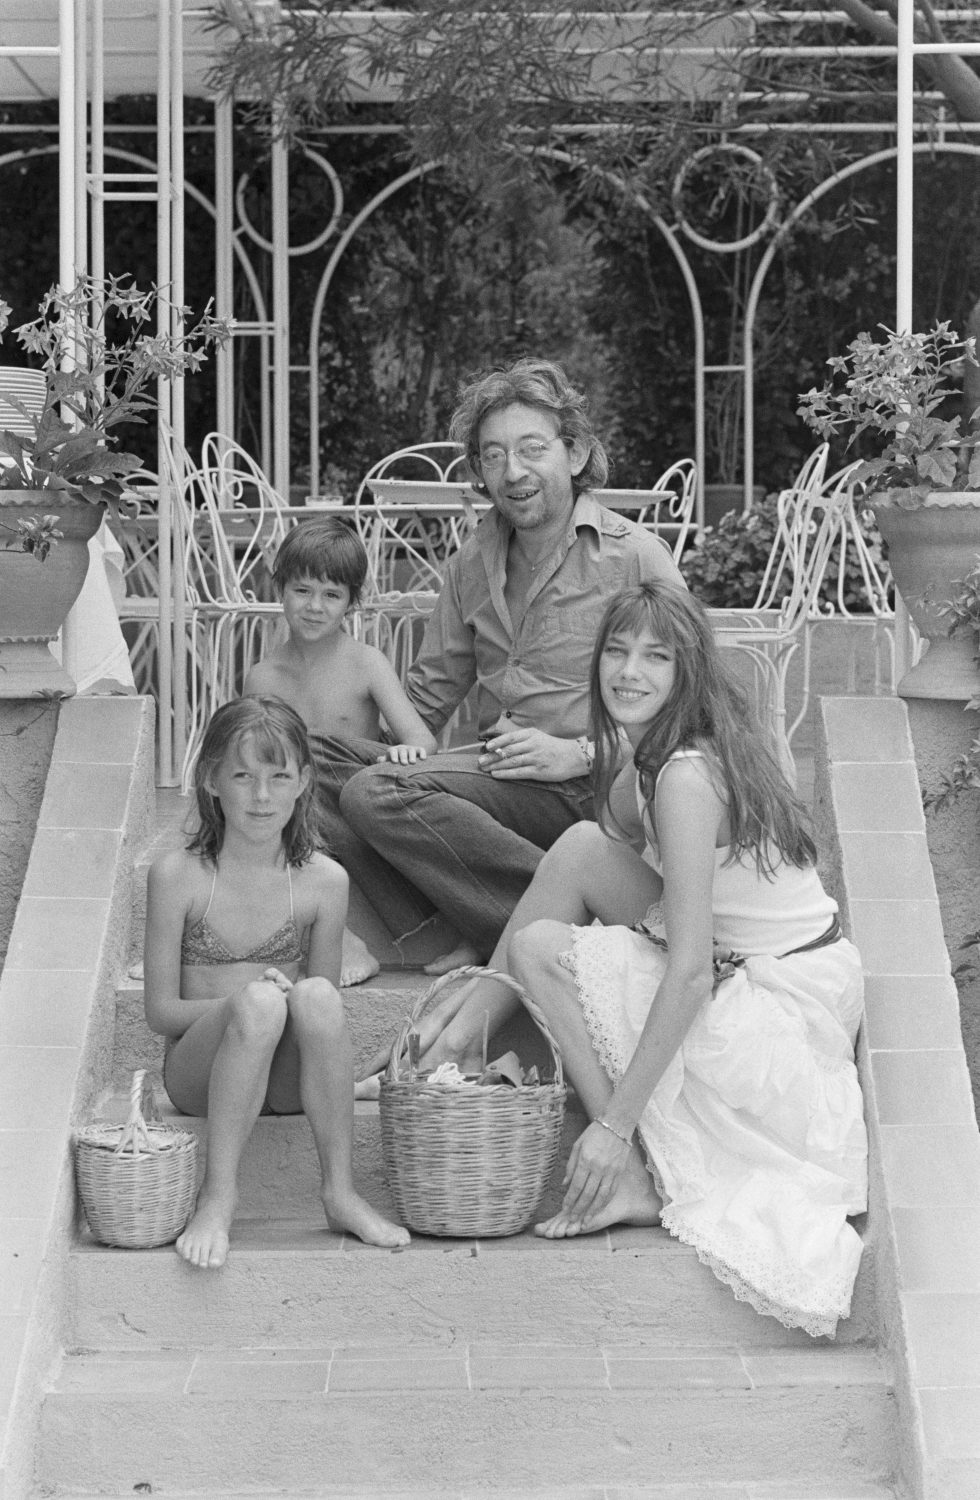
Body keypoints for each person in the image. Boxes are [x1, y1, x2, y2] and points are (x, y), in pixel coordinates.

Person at [413, 582, 868, 1338]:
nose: (630, 672)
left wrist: (615, 1125)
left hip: (784, 1006)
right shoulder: (648, 756)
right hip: (755, 962)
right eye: (617, 652)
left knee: (539, 949)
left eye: (656, 657)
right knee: (579, 850)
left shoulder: (687, 776)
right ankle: (447, 1041)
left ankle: (625, 1169)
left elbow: (689, 971)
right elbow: (588, 862)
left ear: (686, 671)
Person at [315, 357, 685, 985]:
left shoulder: (634, 555)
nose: (511, 472)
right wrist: (366, 749)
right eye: (492, 456)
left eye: (531, 449)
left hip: (587, 787)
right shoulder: (472, 562)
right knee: (306, 756)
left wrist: (582, 754)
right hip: (497, 780)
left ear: (575, 453)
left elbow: (697, 698)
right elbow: (429, 693)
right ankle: (473, 921)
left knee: (375, 793)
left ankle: (555, 916)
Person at [143, 696, 410, 1269]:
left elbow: (324, 1014)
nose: (261, 796)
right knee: (262, 1004)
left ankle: (339, 1191)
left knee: (315, 995)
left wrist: (282, 1001)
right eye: (243, 776)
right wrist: (242, 1002)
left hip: (284, 1081)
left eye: (278, 777)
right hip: (198, 1073)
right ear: (212, 779)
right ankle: (218, 1198)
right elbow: (161, 1012)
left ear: (303, 783)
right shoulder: (179, 876)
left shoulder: (324, 882)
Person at [243, 516, 439, 984]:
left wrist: (405, 753)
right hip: (296, 812)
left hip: (355, 804)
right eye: (303, 590)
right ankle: (338, 937)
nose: (314, 607)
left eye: (331, 595)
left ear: (353, 602)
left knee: (303, 762)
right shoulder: (263, 677)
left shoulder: (366, 663)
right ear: (280, 589)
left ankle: (343, 937)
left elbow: (421, 739)